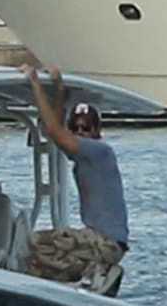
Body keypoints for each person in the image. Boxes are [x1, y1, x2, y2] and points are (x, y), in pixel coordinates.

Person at [19, 63, 129, 285]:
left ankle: (98, 269)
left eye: (86, 128)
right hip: (103, 243)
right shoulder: (84, 155)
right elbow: (56, 130)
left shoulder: (99, 151)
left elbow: (54, 131)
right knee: (34, 267)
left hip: (104, 242)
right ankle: (89, 274)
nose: (80, 132)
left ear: (97, 131)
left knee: (36, 241)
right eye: (76, 128)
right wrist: (59, 91)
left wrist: (35, 84)